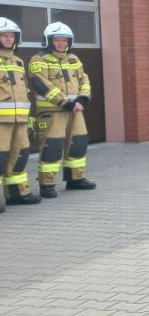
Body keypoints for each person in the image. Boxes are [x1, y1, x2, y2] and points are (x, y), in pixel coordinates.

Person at [28, 22, 96, 198]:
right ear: (49, 40)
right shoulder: (39, 59)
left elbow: (85, 80)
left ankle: (76, 179)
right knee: (53, 146)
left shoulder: (74, 59)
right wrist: (65, 102)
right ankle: (47, 184)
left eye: (64, 40)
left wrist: (83, 98)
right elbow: (41, 84)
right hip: (52, 112)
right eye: (57, 40)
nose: (61, 43)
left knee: (79, 143)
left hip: (75, 111)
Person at [0, 18, 40, 210]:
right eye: (4, 35)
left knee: (21, 154)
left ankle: (17, 193)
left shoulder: (17, 61)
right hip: (1, 121)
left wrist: (30, 120)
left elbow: (24, 92)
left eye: (11, 36)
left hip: (20, 120)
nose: (8, 39)